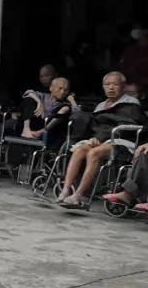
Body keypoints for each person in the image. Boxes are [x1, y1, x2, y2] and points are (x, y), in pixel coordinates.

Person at [59, 71, 145, 208]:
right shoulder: (100, 106)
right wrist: (94, 138)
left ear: (123, 87)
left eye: (115, 84)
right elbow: (97, 127)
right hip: (102, 140)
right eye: (107, 84)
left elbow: (126, 126)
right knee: (80, 149)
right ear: (103, 87)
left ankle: (79, 195)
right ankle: (66, 190)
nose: (111, 87)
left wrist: (101, 138)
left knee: (94, 153)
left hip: (121, 142)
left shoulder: (131, 104)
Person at [20, 76, 74, 141]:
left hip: (49, 127)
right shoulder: (43, 96)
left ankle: (41, 132)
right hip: (34, 120)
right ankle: (26, 129)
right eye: (60, 88)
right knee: (29, 99)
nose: (62, 92)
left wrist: (72, 101)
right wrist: (39, 102)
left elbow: (77, 114)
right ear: (51, 88)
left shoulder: (64, 104)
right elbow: (28, 92)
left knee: (66, 108)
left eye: (66, 90)